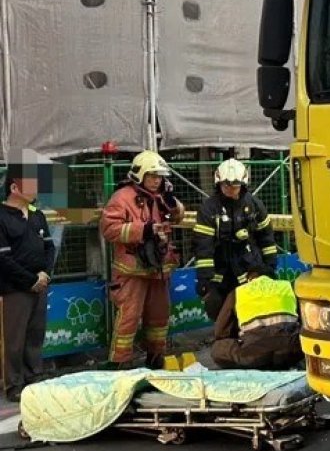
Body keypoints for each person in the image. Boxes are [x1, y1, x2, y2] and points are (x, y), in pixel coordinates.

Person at [99, 150, 185, 369]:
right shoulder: (122, 197)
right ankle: (120, 361)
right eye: (152, 175)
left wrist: (172, 203)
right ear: (140, 175)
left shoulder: (162, 196)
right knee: (129, 316)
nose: (157, 180)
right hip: (132, 269)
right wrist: (143, 230)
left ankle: (156, 357)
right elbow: (109, 229)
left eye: (160, 176)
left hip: (158, 268)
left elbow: (178, 216)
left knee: (159, 315)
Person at [193, 159, 278, 322]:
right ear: (219, 184)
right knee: (218, 312)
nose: (231, 189)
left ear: (243, 184)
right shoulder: (209, 209)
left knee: (251, 314)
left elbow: (266, 239)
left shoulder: (254, 205)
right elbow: (203, 246)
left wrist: (269, 268)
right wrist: (205, 280)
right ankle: (225, 343)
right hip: (220, 272)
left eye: (235, 185)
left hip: (250, 270)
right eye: (226, 185)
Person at [0, 165, 55, 401]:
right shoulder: (2, 217)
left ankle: (34, 376)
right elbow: (3, 258)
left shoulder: (36, 215)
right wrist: (30, 280)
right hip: (15, 288)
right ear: (14, 187)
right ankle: (13, 384)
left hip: (39, 284)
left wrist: (44, 274)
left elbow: (49, 247)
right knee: (14, 337)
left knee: (35, 333)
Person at [211, 267, 302, 370]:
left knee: (217, 349)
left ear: (248, 279)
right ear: (273, 278)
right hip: (292, 350)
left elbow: (221, 332)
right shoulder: (288, 286)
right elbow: (305, 320)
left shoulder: (237, 293)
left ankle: (255, 366)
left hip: (255, 354)